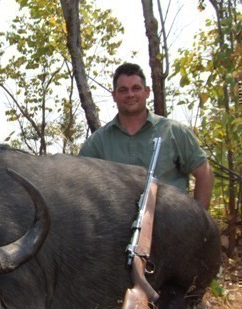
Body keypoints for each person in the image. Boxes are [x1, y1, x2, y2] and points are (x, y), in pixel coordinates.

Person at [79, 63, 214, 210]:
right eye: (123, 90)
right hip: (116, 228)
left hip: (173, 226)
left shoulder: (173, 131)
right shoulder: (97, 142)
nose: (130, 94)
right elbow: (79, 184)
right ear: (114, 96)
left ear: (147, 92)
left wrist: (199, 220)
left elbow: (204, 174)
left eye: (136, 88)